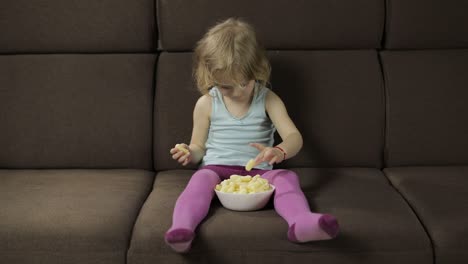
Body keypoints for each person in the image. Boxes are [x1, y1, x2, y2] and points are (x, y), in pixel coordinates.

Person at [165, 17, 339, 253]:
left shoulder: (267, 99)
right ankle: (182, 230)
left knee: (287, 177)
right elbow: (198, 148)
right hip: (216, 169)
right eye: (226, 86)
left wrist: (279, 150)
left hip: (259, 173)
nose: (236, 92)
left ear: (257, 71)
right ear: (210, 77)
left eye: (243, 83)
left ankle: (301, 222)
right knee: (198, 181)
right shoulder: (206, 103)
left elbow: (294, 137)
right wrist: (189, 153)